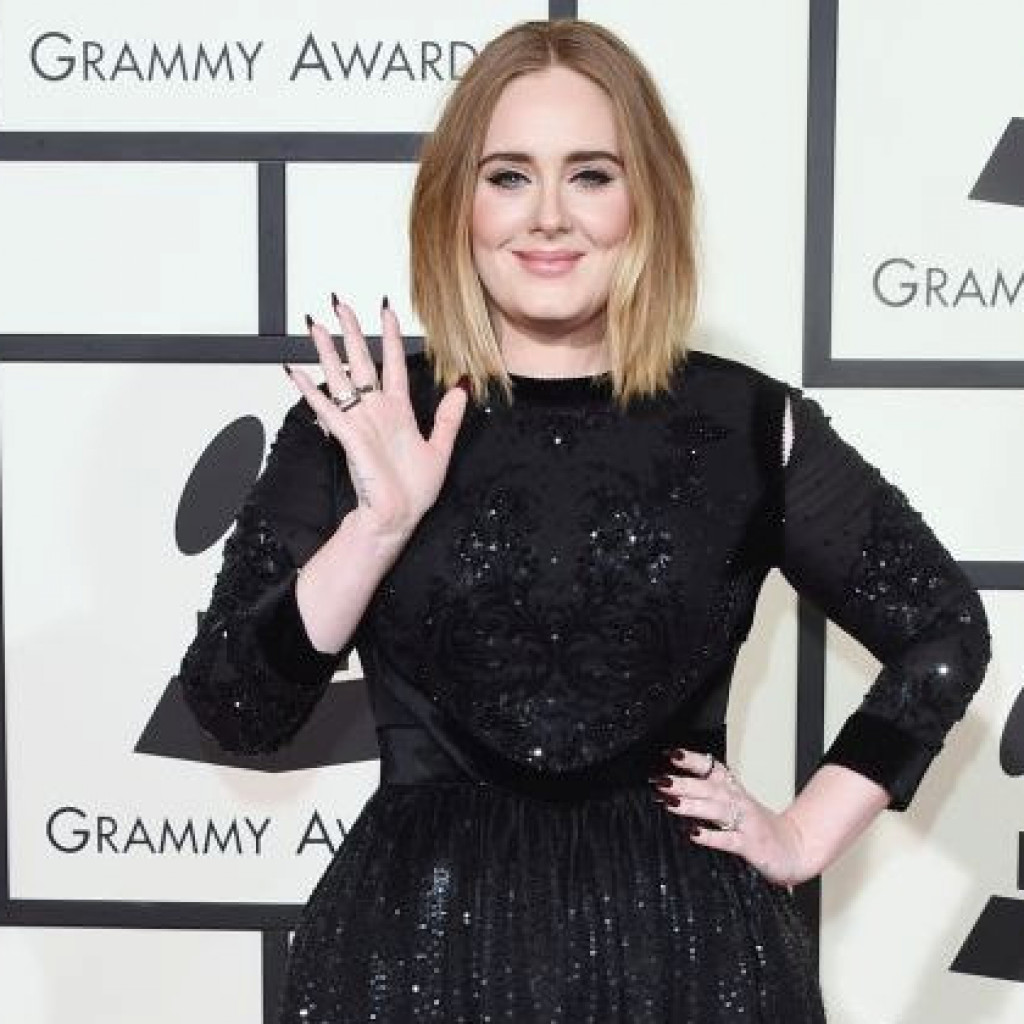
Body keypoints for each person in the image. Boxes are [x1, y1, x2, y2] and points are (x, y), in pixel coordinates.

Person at [177, 18, 992, 1023]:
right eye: (509, 176)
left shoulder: (744, 422)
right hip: (415, 960)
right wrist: (377, 527)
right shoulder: (366, 419)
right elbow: (234, 707)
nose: (549, 216)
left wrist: (803, 833)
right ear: (457, 201)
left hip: (689, 962)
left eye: (591, 175)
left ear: (647, 198)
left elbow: (943, 630)